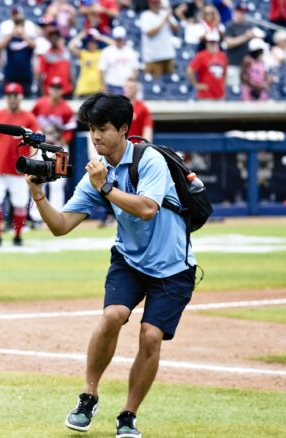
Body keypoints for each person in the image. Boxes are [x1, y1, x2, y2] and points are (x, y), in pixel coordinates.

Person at [32, 93, 196, 438]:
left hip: (173, 266)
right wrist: (37, 194)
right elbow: (61, 226)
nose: (95, 137)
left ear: (123, 129)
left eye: (102, 129)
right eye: (91, 129)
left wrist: (104, 186)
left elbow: (147, 208)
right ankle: (87, 397)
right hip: (129, 259)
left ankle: (128, 415)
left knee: (151, 336)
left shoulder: (150, 160)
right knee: (112, 315)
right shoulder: (99, 172)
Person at [0, 82, 39, 247]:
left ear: (20, 97)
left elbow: (37, 138)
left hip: (19, 168)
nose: (12, 99)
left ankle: (18, 235)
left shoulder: (28, 117)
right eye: (9, 96)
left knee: (20, 203)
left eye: (15, 95)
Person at [30, 76, 76, 216]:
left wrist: (61, 144)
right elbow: (32, 122)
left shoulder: (67, 109)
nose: (55, 90)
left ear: (62, 90)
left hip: (59, 149)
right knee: (38, 180)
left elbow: (69, 131)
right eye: (53, 87)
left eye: (58, 88)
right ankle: (36, 216)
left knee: (57, 184)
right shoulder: (40, 104)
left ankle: (57, 214)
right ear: (48, 89)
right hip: (41, 148)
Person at [139, 0, 180, 78]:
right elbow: (150, 33)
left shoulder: (165, 14)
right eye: (154, 3)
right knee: (155, 83)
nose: (156, 4)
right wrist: (164, 20)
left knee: (170, 82)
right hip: (153, 57)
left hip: (168, 54)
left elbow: (176, 29)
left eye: (158, 2)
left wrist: (168, 19)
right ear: (150, 4)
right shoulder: (145, 16)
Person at [0, 15, 35, 97]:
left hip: (25, 74)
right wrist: (11, 34)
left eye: (20, 24)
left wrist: (23, 35)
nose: (19, 27)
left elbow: (34, 45)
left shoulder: (28, 38)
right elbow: (0, 46)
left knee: (26, 98)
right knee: (10, 97)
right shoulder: (9, 37)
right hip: (11, 74)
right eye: (16, 24)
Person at [70, 29, 114, 97]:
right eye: (90, 42)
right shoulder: (83, 53)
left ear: (97, 43)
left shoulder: (102, 53)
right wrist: (81, 35)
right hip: (84, 90)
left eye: (94, 42)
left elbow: (114, 45)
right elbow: (71, 46)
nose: (91, 44)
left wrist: (100, 37)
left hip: (98, 91)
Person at [224, 5, 258, 89]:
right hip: (233, 63)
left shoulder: (248, 25)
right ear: (235, 12)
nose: (241, 14)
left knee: (246, 90)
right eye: (239, 12)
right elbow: (228, 43)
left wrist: (255, 37)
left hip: (247, 65)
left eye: (243, 12)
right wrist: (245, 36)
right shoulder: (230, 25)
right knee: (233, 89)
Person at [187, 32, 228, 100]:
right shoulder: (201, 56)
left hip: (220, 94)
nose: (213, 44)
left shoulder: (222, 56)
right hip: (206, 94)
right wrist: (196, 84)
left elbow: (225, 73)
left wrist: (223, 85)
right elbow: (190, 70)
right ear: (206, 43)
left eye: (214, 42)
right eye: (210, 42)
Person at [98, 27, 139, 95]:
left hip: (126, 86)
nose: (119, 41)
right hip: (112, 85)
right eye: (117, 39)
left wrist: (131, 82)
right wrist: (103, 87)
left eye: (121, 39)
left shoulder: (130, 52)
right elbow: (102, 70)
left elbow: (135, 69)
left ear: (124, 38)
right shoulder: (107, 51)